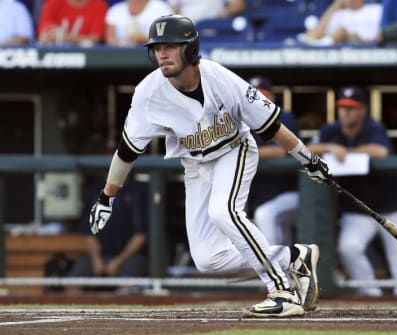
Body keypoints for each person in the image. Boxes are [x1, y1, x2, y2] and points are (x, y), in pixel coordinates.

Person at [89, 14, 331, 317]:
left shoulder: (221, 78)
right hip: (196, 164)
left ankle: (282, 290)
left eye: (171, 46)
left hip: (234, 149)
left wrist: (307, 159)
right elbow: (127, 151)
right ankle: (293, 257)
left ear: (190, 48)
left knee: (223, 211)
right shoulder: (148, 94)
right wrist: (106, 197)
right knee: (208, 259)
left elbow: (270, 126)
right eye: (157, 47)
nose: (162, 53)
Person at [308, 86, 397, 297]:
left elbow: (381, 151)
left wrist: (346, 152)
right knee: (349, 248)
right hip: (359, 207)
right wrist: (331, 147)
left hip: (394, 204)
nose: (346, 112)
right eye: (343, 108)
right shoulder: (331, 130)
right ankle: (370, 295)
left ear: (362, 110)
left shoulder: (372, 127)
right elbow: (307, 148)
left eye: (352, 108)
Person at [67, 176, 148, 291]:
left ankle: (119, 309)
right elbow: (89, 233)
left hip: (129, 256)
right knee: (72, 282)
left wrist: (118, 262)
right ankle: (80, 309)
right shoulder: (95, 190)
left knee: (128, 285)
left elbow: (140, 236)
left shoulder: (138, 191)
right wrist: (96, 259)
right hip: (100, 254)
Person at [247, 75, 300, 246]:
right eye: (254, 96)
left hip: (291, 193)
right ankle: (284, 268)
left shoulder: (283, 118)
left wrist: (245, 152)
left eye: (263, 96)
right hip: (260, 195)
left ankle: (273, 268)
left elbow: (280, 150)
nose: (258, 100)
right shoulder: (240, 120)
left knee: (265, 216)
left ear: (272, 98)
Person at [297, 0, 383, 46]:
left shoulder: (376, 10)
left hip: (367, 55)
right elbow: (311, 37)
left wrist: (351, 39)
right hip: (337, 60)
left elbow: (383, 38)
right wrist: (336, 5)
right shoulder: (338, 14)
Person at [37, 0, 108, 46]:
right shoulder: (53, 3)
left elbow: (95, 39)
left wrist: (65, 37)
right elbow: (44, 33)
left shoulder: (99, 5)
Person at [105, 0, 174, 46]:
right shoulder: (115, 10)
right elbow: (110, 39)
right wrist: (125, 42)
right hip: (121, 58)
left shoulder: (161, 8)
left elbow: (169, 37)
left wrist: (142, 39)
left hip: (154, 56)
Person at [167, 0, 246, 24]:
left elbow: (238, 5)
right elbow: (174, 11)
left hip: (214, 31)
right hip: (186, 32)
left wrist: (217, 20)